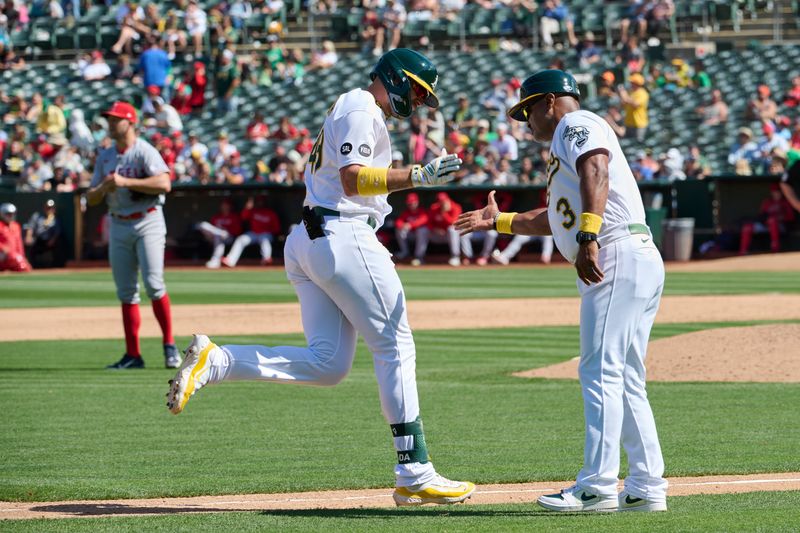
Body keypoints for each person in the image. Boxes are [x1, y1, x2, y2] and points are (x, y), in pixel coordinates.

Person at [166, 48, 474, 507]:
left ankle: (217, 361)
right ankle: (415, 469)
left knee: (328, 364)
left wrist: (416, 175)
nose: (417, 100)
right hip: (342, 231)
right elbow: (352, 180)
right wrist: (418, 175)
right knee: (395, 345)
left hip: (314, 236)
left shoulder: (361, 110)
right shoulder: (359, 104)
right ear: (395, 76)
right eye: (416, 89)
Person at [457, 69, 668, 513]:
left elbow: (597, 168)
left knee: (600, 370)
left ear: (550, 102)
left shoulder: (577, 124)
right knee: (625, 374)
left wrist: (589, 237)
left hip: (613, 251)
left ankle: (596, 485)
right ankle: (646, 486)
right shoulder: (567, 141)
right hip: (628, 252)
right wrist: (498, 221)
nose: (525, 121)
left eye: (528, 110)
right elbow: (555, 218)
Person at [86, 101, 181, 370]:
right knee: (126, 291)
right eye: (110, 119)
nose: (111, 124)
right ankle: (133, 355)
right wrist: (104, 187)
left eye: (116, 119)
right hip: (118, 223)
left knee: (153, 284)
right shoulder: (105, 156)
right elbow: (91, 198)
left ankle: (169, 346)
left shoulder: (144, 151)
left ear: (130, 122)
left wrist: (127, 182)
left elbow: (165, 183)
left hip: (147, 219)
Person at [219, 196, 279, 266]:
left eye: (261, 201)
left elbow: (276, 228)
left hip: (266, 234)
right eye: (258, 201)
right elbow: (243, 217)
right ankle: (230, 260)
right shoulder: (253, 211)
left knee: (264, 240)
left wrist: (269, 232)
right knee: (241, 239)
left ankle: (266, 259)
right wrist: (247, 208)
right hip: (253, 233)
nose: (260, 203)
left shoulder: (271, 213)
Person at [739, 184, 795, 254]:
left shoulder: (785, 202)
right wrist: (765, 219)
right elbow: (761, 216)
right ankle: (743, 251)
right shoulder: (767, 202)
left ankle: (775, 248)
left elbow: (790, 218)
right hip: (766, 224)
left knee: (772, 220)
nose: (776, 194)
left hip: (780, 225)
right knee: (747, 227)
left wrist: (781, 218)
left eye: (778, 192)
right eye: (774, 192)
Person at [417, 191, 463, 267]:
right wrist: (434, 229)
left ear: (448, 200)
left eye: (444, 201)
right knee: (422, 230)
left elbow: (454, 223)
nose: (442, 203)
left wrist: (444, 213)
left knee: (452, 229)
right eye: (440, 201)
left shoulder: (456, 207)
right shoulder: (434, 208)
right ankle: (419, 257)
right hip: (437, 235)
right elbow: (428, 222)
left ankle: (455, 257)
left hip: (449, 236)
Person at [197, 198, 242, 269]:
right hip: (217, 236)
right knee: (203, 225)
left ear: (230, 206)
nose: (225, 207)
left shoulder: (234, 217)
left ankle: (215, 261)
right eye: (223, 205)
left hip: (229, 237)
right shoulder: (217, 217)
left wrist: (227, 230)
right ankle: (220, 233)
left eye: (227, 205)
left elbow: (237, 231)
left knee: (219, 236)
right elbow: (212, 229)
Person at [23, 198, 63, 268]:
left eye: (51, 208)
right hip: (38, 240)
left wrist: (52, 241)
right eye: (48, 208)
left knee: (59, 243)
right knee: (28, 242)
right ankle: (29, 265)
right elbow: (30, 227)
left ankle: (56, 266)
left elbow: (57, 232)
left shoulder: (55, 219)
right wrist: (28, 236)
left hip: (49, 241)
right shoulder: (37, 216)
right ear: (44, 208)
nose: (49, 209)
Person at [393, 191, 429, 265]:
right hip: (410, 235)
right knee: (399, 230)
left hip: (421, 236)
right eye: (410, 203)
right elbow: (398, 222)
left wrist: (410, 225)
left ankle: (419, 256)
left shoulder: (422, 211)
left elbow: (424, 220)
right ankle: (405, 252)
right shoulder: (406, 212)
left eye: (413, 203)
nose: (411, 205)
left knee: (422, 230)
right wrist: (403, 225)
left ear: (417, 202)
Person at [0, 202, 32, 272]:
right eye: (8, 214)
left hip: (13, 257)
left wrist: (23, 257)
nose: (11, 216)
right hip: (2, 254)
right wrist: (2, 247)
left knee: (26, 267)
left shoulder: (16, 226)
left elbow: (19, 244)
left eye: (12, 214)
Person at [618, 73, 649, 142]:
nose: (631, 84)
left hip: (639, 124)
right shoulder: (631, 92)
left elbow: (635, 104)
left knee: (638, 145)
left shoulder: (643, 93)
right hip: (629, 123)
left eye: (632, 82)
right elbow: (623, 104)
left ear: (637, 83)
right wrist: (622, 97)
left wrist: (625, 96)